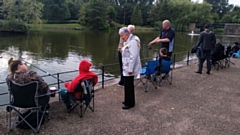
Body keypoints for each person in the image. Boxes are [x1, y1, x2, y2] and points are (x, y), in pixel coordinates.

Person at [119, 27, 141, 109]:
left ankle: (130, 103)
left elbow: (133, 56)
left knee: (129, 85)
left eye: (122, 36)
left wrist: (130, 69)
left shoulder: (133, 41)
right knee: (127, 84)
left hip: (129, 68)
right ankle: (127, 100)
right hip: (126, 67)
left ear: (127, 34)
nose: (121, 37)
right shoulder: (129, 40)